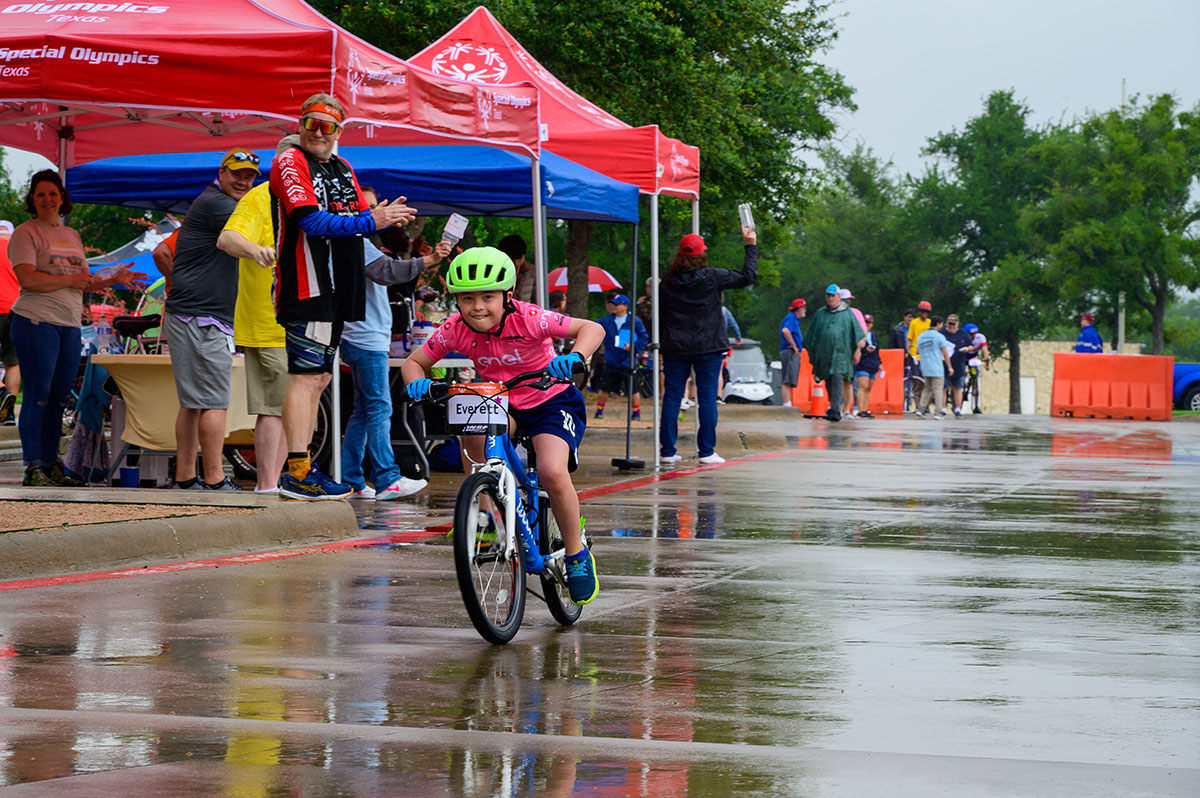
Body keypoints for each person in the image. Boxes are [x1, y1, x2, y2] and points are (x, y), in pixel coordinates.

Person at [402, 247, 605, 605]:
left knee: (551, 471)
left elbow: (592, 328)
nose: (477, 307)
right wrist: (417, 383)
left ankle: (576, 555)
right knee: (472, 429)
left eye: (487, 297)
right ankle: (482, 515)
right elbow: (413, 363)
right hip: (501, 401)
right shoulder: (454, 329)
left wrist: (576, 356)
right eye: (467, 298)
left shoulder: (530, 318)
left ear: (507, 295)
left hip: (550, 401)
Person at [270, 93, 416, 500]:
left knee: (319, 378)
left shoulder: (342, 167)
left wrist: (375, 218)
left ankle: (306, 470)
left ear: (339, 131)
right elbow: (313, 222)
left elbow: (353, 222)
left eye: (327, 126)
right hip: (308, 286)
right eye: (311, 123)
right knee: (305, 378)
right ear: (300, 124)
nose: (318, 132)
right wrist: (373, 219)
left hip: (338, 291)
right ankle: (297, 471)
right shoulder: (290, 161)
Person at [8, 170, 142, 486]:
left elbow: (83, 281)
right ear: (32, 199)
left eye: (53, 194)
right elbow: (28, 279)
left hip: (69, 324)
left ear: (62, 198)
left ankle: (51, 463)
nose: (47, 200)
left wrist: (112, 279)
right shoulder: (26, 233)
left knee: (59, 399)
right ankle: (34, 467)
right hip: (35, 320)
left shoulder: (71, 235)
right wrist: (70, 279)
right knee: (38, 395)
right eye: (41, 194)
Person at [340, 187, 450, 500]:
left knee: (364, 410)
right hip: (365, 337)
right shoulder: (355, 242)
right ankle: (387, 478)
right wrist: (429, 259)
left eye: (376, 206)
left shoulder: (353, 241)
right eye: (368, 207)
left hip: (361, 336)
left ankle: (352, 480)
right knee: (379, 407)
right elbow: (387, 271)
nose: (375, 211)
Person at [164, 147, 261, 491]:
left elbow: (162, 250)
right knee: (214, 402)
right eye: (236, 174)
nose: (242, 182)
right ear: (221, 173)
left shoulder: (210, 202)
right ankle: (216, 479)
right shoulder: (220, 206)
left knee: (193, 402)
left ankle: (186, 477)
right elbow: (260, 233)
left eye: (249, 177)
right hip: (203, 317)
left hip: (190, 313)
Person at [216, 135, 298, 493]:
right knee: (275, 407)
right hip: (268, 322)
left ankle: (282, 483)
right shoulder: (259, 198)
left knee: (295, 407)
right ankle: (266, 486)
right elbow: (227, 239)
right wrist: (254, 250)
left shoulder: (306, 200)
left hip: (303, 322)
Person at [659, 227, 757, 464]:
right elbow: (747, 276)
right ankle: (706, 451)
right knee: (707, 399)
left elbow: (660, 314)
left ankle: (668, 451)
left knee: (672, 397)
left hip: (675, 346)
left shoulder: (667, 282)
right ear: (702, 254)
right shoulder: (712, 277)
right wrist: (750, 244)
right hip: (707, 345)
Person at [803, 284, 865, 422]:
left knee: (837, 377)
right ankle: (833, 406)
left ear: (838, 297)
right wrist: (812, 350)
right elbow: (811, 334)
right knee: (828, 379)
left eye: (833, 295)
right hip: (824, 353)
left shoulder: (847, 313)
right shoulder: (820, 313)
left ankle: (836, 410)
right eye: (828, 295)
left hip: (841, 353)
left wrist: (857, 350)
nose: (830, 298)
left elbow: (856, 334)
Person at [595, 293, 648, 421]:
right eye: (613, 304)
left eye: (617, 304)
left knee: (633, 389)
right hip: (611, 361)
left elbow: (644, 337)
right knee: (604, 388)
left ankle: (636, 413)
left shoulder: (635, 321)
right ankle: (599, 412)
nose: (614, 307)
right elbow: (594, 328)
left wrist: (633, 347)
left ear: (625, 306)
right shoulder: (606, 320)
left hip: (628, 362)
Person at [915, 315, 954, 418]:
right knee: (938, 390)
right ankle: (938, 412)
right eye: (941, 324)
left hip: (925, 366)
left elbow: (917, 351)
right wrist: (949, 367)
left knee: (927, 388)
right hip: (936, 367)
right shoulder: (939, 336)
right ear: (938, 324)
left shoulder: (921, 336)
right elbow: (945, 353)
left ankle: (921, 409)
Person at [0, 220, 19, 425]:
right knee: (12, 361)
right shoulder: (20, 249)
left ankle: (1, 391)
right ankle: (9, 414)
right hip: (16, 309)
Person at [942, 314, 974, 416]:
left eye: (953, 324)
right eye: (949, 324)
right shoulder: (941, 333)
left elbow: (971, 346)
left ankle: (957, 408)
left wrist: (967, 349)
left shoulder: (963, 333)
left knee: (957, 387)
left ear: (957, 324)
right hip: (944, 365)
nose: (951, 326)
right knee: (943, 388)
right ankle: (943, 408)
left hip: (958, 364)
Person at [779, 298, 806, 407]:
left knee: (790, 380)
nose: (805, 310)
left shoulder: (795, 319)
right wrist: (794, 345)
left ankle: (788, 403)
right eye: (803, 307)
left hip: (791, 352)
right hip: (789, 351)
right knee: (787, 379)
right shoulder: (791, 317)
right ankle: (787, 404)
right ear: (798, 308)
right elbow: (785, 330)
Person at [855, 314, 881, 418]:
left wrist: (879, 363)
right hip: (862, 363)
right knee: (863, 386)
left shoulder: (873, 335)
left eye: (869, 323)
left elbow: (877, 350)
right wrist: (865, 350)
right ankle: (860, 409)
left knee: (869, 388)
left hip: (873, 363)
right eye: (865, 322)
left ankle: (865, 410)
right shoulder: (858, 335)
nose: (867, 325)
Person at [498, 234, 535, 304]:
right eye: (513, 260)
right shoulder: (497, 272)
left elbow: (537, 299)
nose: (517, 263)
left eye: (519, 259)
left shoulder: (533, 272)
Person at [963, 322, 990, 414]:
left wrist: (986, 361)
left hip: (973, 357)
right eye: (970, 334)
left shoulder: (980, 337)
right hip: (963, 356)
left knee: (975, 375)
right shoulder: (962, 337)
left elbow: (985, 349)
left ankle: (976, 404)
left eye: (974, 334)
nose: (972, 336)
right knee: (960, 372)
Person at [890, 308, 914, 411]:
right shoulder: (897, 330)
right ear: (904, 317)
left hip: (913, 358)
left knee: (912, 379)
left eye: (912, 317)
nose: (911, 319)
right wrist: (899, 354)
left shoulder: (915, 329)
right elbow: (892, 346)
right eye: (909, 317)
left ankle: (910, 402)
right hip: (900, 359)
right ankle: (900, 403)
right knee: (900, 381)